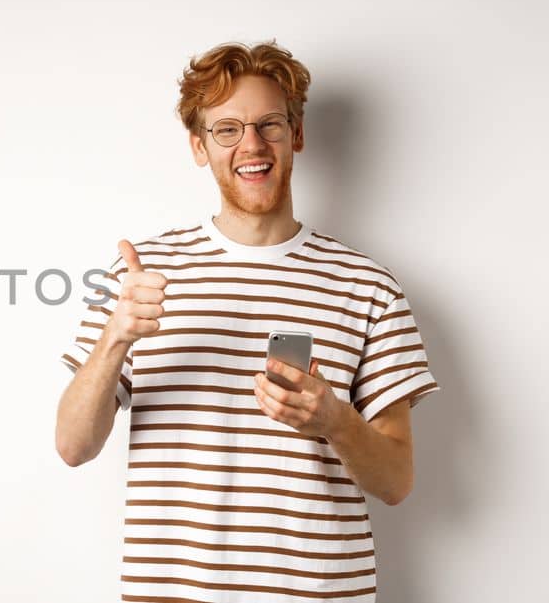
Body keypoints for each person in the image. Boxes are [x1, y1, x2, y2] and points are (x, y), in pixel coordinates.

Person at [53, 40, 440, 602]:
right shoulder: (140, 275)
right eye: (227, 129)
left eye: (269, 125)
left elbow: (396, 481)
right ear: (198, 146)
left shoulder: (368, 285)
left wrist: (335, 419)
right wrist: (115, 337)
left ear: (297, 134)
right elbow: (72, 446)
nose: (251, 145)